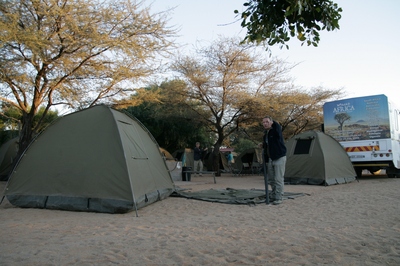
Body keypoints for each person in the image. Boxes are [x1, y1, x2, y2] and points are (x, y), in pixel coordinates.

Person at [261, 115, 287, 205]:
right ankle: (274, 194)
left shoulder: (276, 130)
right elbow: (267, 146)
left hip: (279, 157)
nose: (265, 124)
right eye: (263, 122)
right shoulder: (266, 135)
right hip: (271, 158)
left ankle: (279, 197)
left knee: (278, 179)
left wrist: (273, 122)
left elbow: (278, 127)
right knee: (271, 179)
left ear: (271, 122)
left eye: (267, 122)